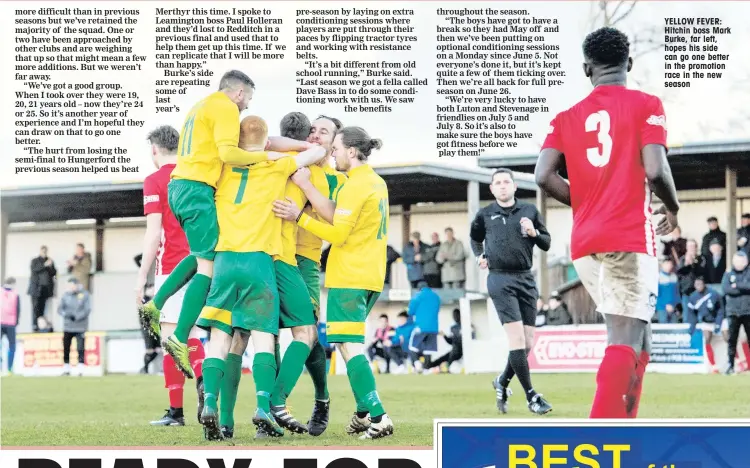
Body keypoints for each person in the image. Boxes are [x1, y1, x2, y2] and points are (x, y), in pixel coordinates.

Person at [535, 26, 680, 418]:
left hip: (584, 242)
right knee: (624, 336)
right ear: (628, 63)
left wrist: (587, 202)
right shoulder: (646, 103)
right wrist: (674, 207)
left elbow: (543, 175)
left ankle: (625, 430)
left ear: (587, 68)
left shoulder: (566, 117)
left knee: (639, 334)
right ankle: (599, 440)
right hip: (627, 237)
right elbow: (655, 169)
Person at [139, 70, 309, 377]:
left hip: (185, 188)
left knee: (204, 254)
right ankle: (178, 335)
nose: (245, 108)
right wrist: (268, 158)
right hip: (196, 189)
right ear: (240, 93)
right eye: (248, 101)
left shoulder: (201, 106)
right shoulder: (226, 107)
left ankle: (156, 302)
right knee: (208, 265)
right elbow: (229, 153)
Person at [194, 115, 326, 440]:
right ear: (267, 143)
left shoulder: (223, 169)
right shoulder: (275, 167)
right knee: (264, 338)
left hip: (224, 261)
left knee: (223, 338)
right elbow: (314, 153)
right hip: (259, 260)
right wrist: (275, 152)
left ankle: (213, 405)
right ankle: (265, 406)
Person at [273, 126, 394, 439]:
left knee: (349, 346)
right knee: (345, 343)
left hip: (350, 275)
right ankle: (365, 412)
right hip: (370, 274)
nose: (333, 153)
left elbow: (339, 234)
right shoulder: (375, 182)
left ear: (351, 151)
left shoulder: (355, 186)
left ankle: (379, 416)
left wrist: (299, 217)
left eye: (337, 148)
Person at [136, 126, 206, 427]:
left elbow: (154, 235)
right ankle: (207, 389)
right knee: (192, 336)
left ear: (154, 149)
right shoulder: (196, 174)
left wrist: (141, 278)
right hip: (204, 266)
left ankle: (176, 411)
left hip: (172, 268)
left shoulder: (155, 180)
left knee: (169, 336)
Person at [471, 168, 552, 415]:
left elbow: (546, 243)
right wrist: (479, 256)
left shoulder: (529, 212)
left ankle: (502, 381)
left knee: (527, 343)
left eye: (507, 182)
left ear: (515, 187)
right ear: (492, 189)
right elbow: (475, 239)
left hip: (526, 279)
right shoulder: (484, 215)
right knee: (516, 339)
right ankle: (531, 396)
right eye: (498, 183)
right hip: (499, 279)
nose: (503, 186)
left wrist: (533, 232)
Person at [289, 114, 348, 437]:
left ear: (334, 142)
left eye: (323, 131)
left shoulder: (338, 179)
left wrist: (306, 188)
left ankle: (321, 398)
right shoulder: (289, 161)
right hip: (269, 256)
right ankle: (268, 410)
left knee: (308, 333)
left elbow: (334, 218)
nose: (315, 134)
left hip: (307, 260)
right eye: (312, 129)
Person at [722, 251, 750, 375]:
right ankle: (730, 365)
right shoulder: (728, 273)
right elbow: (726, 289)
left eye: (741, 261)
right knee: (732, 340)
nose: (739, 264)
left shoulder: (748, 271)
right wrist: (742, 288)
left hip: (748, 311)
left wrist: (736, 285)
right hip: (733, 312)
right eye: (737, 261)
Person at [687, 277, 723, 373]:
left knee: (728, 338)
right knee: (707, 339)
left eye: (700, 284)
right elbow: (692, 314)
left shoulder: (713, 294)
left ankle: (735, 361)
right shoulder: (693, 297)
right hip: (706, 322)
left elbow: (721, 309)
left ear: (704, 284)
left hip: (719, 319)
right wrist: (692, 327)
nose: (698, 286)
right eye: (696, 285)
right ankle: (713, 365)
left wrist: (718, 323)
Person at [58, 278, 91, 376]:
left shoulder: (84, 295)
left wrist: (77, 317)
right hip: (68, 326)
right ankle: (66, 368)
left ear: (77, 285)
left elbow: (87, 309)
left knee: (80, 348)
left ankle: (80, 369)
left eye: (72, 285)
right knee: (66, 348)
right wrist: (67, 315)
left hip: (80, 326)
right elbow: (60, 309)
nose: (71, 288)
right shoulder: (65, 295)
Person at [407, 281, 441, 372]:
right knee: (429, 349)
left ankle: (417, 364)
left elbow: (410, 311)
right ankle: (426, 369)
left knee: (412, 346)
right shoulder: (436, 296)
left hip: (420, 327)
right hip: (433, 328)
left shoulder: (418, 296)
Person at [424, 308, 470, 373]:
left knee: (453, 354)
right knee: (442, 359)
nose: (455, 317)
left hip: (463, 350)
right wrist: (444, 336)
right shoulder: (453, 328)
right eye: (454, 315)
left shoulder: (467, 326)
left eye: (457, 315)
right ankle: (430, 367)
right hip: (454, 350)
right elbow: (451, 342)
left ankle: (445, 369)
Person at [677, 239, 706, 322]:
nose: (691, 248)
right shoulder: (682, 259)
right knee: (687, 316)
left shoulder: (701, 259)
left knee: (700, 316)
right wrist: (687, 264)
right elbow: (680, 273)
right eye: (689, 246)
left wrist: (694, 263)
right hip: (686, 292)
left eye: (693, 246)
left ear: (696, 247)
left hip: (699, 292)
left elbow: (702, 272)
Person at [28, 246, 56, 332]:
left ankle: (41, 325)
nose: (44, 253)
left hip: (45, 289)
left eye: (45, 251)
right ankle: (35, 326)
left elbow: (54, 273)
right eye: (43, 251)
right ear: (40, 251)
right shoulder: (35, 261)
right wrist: (45, 265)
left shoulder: (50, 261)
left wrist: (50, 266)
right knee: (35, 308)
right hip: (36, 289)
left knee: (43, 309)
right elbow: (34, 269)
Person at [1, 278, 20, 374]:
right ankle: (9, 368)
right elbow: (18, 309)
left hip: (0, 322)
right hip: (11, 324)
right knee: (12, 346)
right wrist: (16, 322)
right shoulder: (15, 294)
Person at [656, 259, 680, 324]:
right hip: (662, 308)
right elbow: (656, 295)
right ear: (663, 265)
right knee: (663, 329)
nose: (669, 266)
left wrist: (676, 306)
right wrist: (665, 305)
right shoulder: (658, 277)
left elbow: (677, 293)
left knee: (674, 329)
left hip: (674, 308)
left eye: (670, 264)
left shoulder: (674, 277)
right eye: (667, 264)